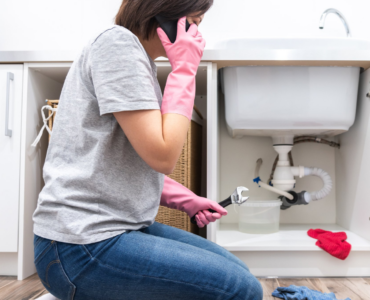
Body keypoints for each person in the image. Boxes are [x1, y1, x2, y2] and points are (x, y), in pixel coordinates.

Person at [32, 0, 263, 299]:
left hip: (114, 231)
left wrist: (186, 200)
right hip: (80, 246)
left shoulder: (136, 58)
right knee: (240, 289)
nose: (198, 38)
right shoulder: (117, 45)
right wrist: (185, 70)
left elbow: (124, 162)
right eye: (193, 24)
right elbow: (163, 156)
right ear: (165, 16)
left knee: (239, 272)